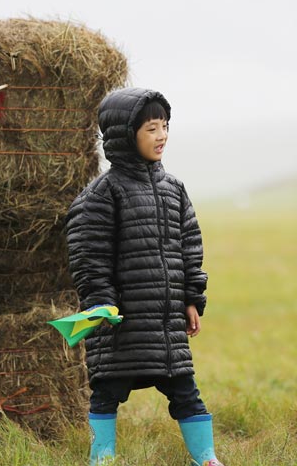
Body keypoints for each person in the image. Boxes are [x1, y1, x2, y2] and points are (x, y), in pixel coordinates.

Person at [66, 87, 225, 466]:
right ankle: (101, 459)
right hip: (121, 323)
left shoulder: (174, 189)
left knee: (186, 391)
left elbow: (190, 247)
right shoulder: (103, 193)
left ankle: (207, 459)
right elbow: (89, 255)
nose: (162, 136)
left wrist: (192, 298)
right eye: (152, 128)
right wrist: (101, 303)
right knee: (106, 393)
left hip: (166, 323)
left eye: (166, 126)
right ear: (125, 133)